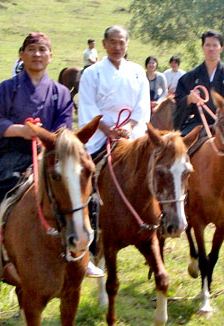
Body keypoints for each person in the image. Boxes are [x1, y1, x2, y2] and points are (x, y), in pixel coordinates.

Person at [0, 32, 76, 280]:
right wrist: (22, 131)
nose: (37, 54)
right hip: (13, 153)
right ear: (21, 55)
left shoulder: (61, 93)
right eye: (32, 49)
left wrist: (42, 136)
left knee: (86, 192)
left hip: (49, 155)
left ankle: (86, 250)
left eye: (42, 50)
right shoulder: (5, 89)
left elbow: (64, 129)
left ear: (50, 56)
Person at [78, 25, 150, 277]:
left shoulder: (138, 72)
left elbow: (142, 107)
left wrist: (129, 126)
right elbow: (87, 106)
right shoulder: (91, 73)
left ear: (127, 44)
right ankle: (90, 228)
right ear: (104, 44)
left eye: (122, 42)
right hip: (99, 136)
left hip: (132, 135)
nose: (117, 47)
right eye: (113, 42)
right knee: (85, 176)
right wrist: (108, 129)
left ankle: (158, 221)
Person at [173, 30, 224, 227]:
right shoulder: (191, 77)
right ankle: (180, 202)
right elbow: (179, 100)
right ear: (203, 47)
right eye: (208, 45)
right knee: (178, 153)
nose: (211, 49)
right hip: (198, 122)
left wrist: (222, 121)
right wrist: (189, 99)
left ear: (221, 47)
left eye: (215, 45)